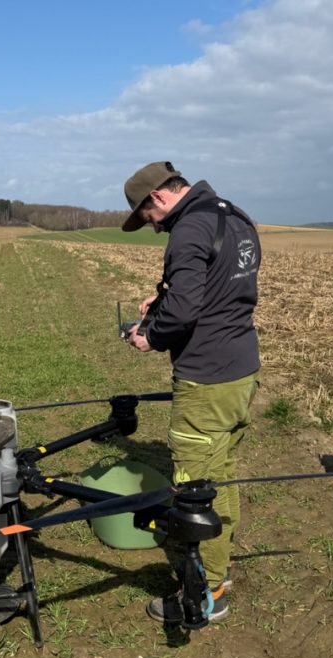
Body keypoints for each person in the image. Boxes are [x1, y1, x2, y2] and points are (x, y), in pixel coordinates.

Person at [121, 161, 261, 623]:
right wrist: (162, 299)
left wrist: (150, 335)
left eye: (148, 218)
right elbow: (213, 289)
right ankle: (220, 567)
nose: (154, 229)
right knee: (221, 472)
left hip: (206, 379)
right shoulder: (234, 217)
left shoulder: (187, 230)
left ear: (157, 198)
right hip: (242, 371)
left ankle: (205, 595)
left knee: (196, 488)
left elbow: (184, 312)